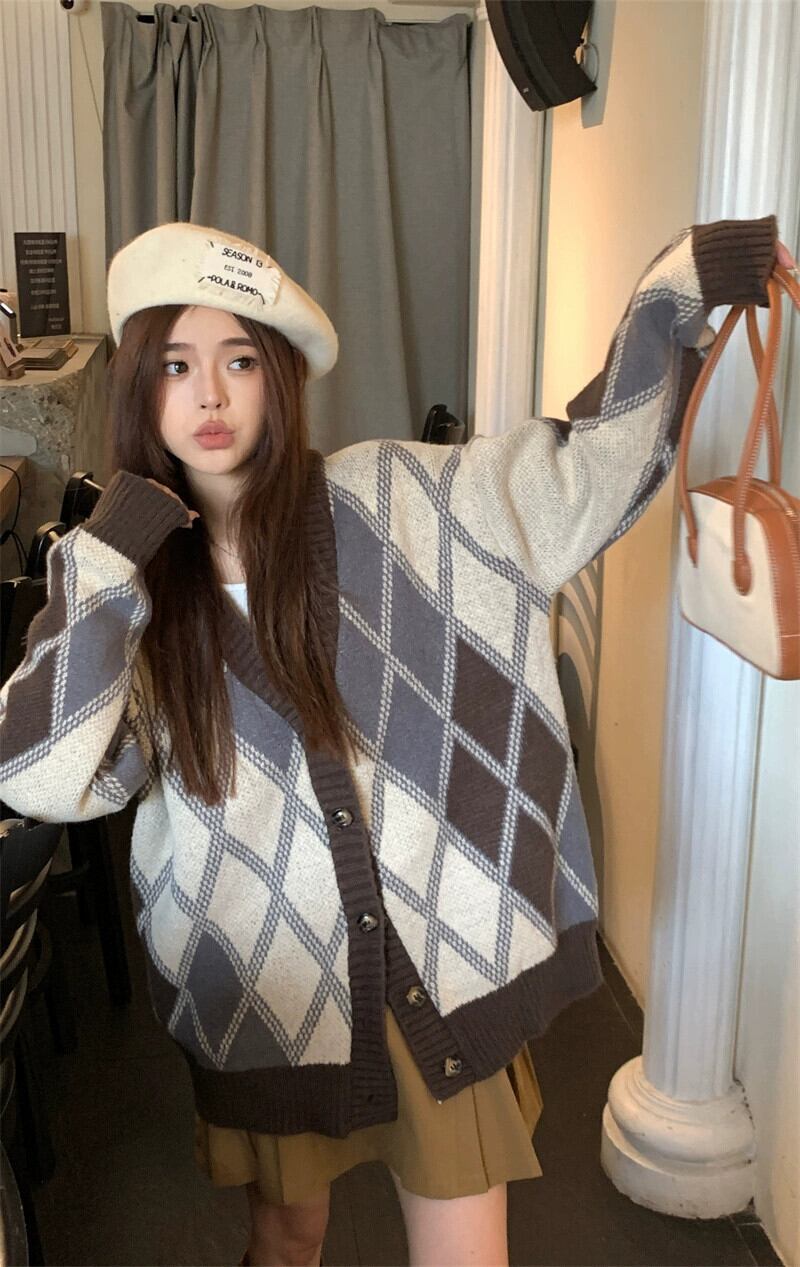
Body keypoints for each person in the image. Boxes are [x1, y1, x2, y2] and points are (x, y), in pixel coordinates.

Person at [0, 217, 794, 1267]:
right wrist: (108, 562)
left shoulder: (398, 498)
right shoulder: (127, 593)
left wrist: (682, 285)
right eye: (177, 365)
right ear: (140, 387)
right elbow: (41, 778)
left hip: (437, 965)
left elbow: (584, 478)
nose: (210, 396)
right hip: (270, 991)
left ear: (280, 378)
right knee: (288, 1241)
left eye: (240, 360)